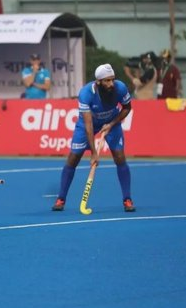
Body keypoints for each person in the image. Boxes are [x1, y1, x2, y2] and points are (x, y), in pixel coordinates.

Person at [51, 63, 136, 212]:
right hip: (88, 124)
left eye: (112, 79)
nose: (111, 84)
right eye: (107, 81)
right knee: (73, 157)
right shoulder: (86, 93)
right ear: (98, 82)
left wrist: (111, 124)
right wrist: (94, 153)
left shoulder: (120, 88)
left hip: (112, 121)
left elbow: (127, 108)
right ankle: (61, 199)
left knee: (120, 157)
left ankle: (127, 199)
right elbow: (89, 126)